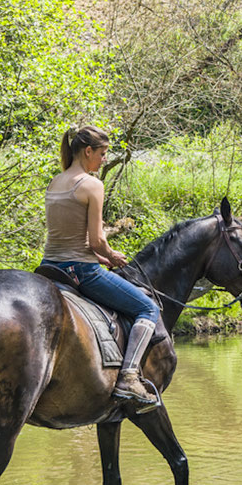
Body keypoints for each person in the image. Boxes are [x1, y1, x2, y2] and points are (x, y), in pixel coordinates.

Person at [41, 125, 160, 412]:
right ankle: (128, 378)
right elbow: (96, 240)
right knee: (148, 309)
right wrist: (111, 255)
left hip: (48, 267)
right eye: (103, 153)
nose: (105, 159)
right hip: (81, 271)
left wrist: (100, 255)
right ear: (88, 151)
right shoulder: (92, 185)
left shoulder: (55, 181)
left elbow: (69, 234)